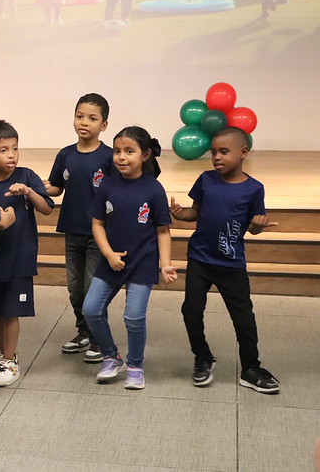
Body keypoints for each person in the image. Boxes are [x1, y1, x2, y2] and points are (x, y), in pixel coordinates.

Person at [170, 127, 280, 394]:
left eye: (224, 151)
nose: (216, 157)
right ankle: (203, 356)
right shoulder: (206, 180)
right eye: (213, 152)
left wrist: (257, 226)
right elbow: (196, 212)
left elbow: (252, 227)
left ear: (243, 152)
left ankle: (251, 368)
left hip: (231, 265)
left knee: (244, 319)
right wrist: (181, 213)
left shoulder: (254, 189)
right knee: (191, 310)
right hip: (200, 259)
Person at [82, 126, 177, 390]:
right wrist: (108, 254)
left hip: (142, 263)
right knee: (91, 309)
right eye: (117, 151)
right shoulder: (107, 185)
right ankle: (111, 356)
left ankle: (136, 365)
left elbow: (163, 231)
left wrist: (165, 264)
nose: (121, 157)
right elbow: (97, 224)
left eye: (129, 151)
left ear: (145, 155)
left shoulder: (154, 189)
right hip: (111, 261)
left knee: (134, 317)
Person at [0, 120, 54, 387]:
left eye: (15, 148)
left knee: (10, 312)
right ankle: (4, 357)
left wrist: (28, 192)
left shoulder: (27, 176)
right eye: (3, 150)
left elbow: (47, 208)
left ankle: (10, 360)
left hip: (18, 258)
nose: (11, 155)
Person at [45, 94, 114, 364]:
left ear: (104, 125)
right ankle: (84, 331)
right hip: (72, 230)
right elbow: (56, 187)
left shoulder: (109, 157)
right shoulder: (66, 154)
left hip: (99, 233)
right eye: (79, 116)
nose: (84, 122)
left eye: (92, 118)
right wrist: (36, 188)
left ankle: (99, 339)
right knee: (75, 288)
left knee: (91, 288)